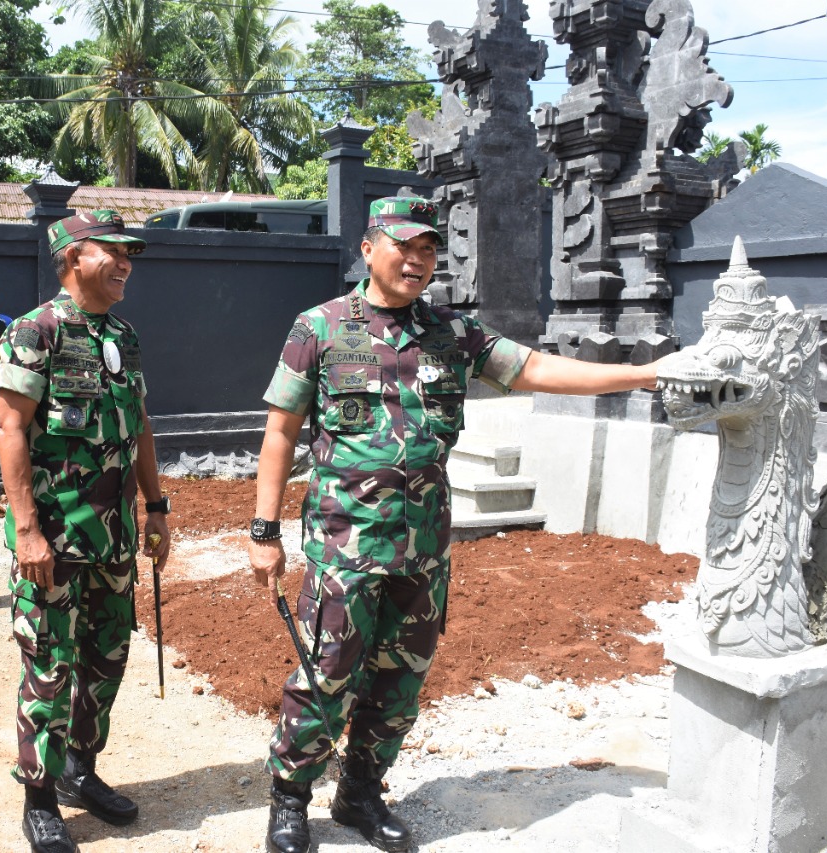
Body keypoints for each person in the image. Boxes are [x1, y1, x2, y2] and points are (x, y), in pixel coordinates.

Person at [249, 197, 660, 853]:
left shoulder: (452, 332)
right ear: (368, 247)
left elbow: (537, 368)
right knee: (326, 672)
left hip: (424, 550)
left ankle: (361, 791)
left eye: (429, 250)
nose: (417, 260)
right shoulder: (320, 327)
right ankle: (290, 798)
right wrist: (264, 532)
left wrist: (647, 373)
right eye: (404, 245)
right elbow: (280, 430)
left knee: (401, 679)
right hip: (343, 546)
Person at [0, 210, 171, 853]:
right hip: (54, 539)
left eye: (131, 253)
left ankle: (79, 768)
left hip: (114, 537)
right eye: (114, 250)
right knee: (49, 663)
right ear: (72, 255)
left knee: (105, 657)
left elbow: (141, 421)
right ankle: (40, 797)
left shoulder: (123, 333)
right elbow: (9, 427)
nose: (126, 261)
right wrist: (27, 530)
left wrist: (157, 505)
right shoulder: (33, 332)